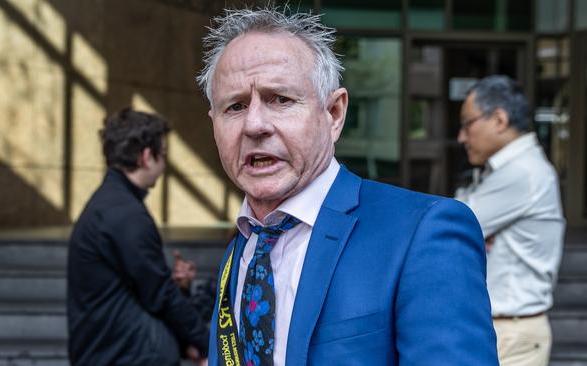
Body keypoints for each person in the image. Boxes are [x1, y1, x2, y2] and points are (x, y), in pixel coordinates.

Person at [196, 8, 498, 366]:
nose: (255, 124)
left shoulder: (422, 233)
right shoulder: (245, 245)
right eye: (235, 106)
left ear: (334, 114)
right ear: (215, 124)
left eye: (281, 100)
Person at [66, 108, 208, 366]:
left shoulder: (112, 204)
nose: (164, 165)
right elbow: (160, 295)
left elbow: (140, 289)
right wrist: (208, 345)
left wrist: (178, 288)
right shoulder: (126, 214)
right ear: (146, 157)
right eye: (162, 156)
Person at [455, 75, 565, 366]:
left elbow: (450, 226)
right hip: (503, 328)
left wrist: (467, 233)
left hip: (511, 332)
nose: (462, 137)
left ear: (499, 120)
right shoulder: (503, 170)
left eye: (468, 124)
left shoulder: (523, 172)